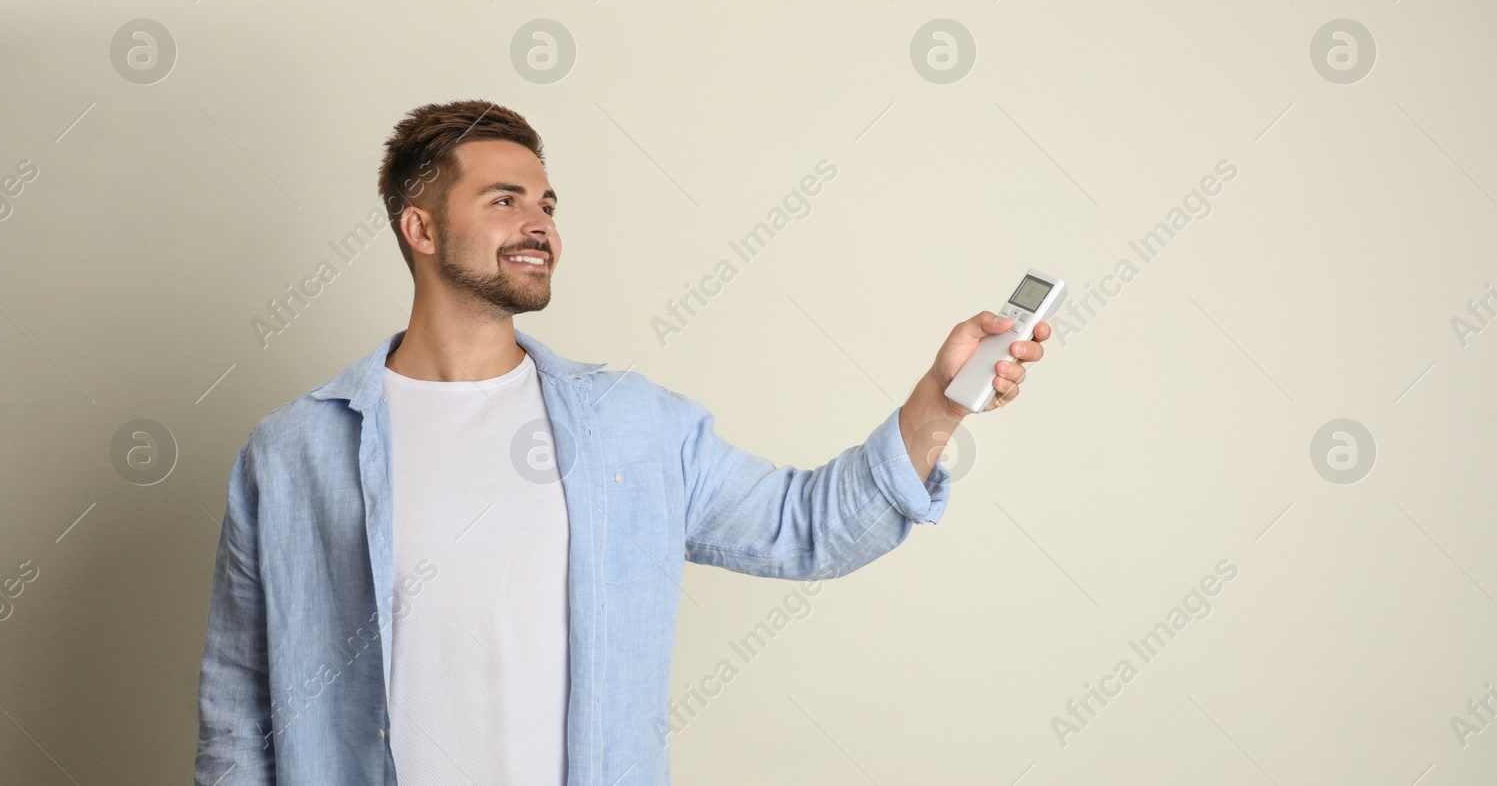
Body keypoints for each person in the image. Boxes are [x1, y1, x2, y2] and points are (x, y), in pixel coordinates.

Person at [194, 99, 1050, 786]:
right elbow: (239, 706)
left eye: (547, 203)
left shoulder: (633, 427)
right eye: (503, 200)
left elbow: (806, 526)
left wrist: (939, 403)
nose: (540, 224)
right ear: (420, 229)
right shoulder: (293, 451)